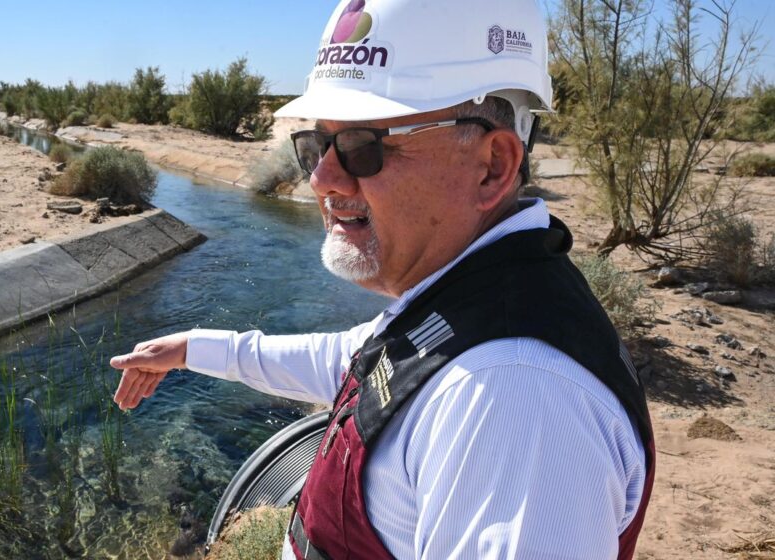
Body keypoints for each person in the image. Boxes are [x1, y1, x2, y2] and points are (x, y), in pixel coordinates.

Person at [110, 0, 655, 558]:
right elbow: (360, 361)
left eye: (363, 147)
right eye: (316, 145)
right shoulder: (469, 294)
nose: (322, 178)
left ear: (492, 165)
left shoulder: (512, 399)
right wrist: (191, 349)